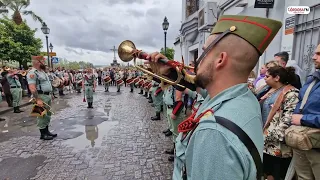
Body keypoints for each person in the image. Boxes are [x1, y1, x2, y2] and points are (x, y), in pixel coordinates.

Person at [147, 15, 282, 179]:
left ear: (220, 59)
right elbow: (200, 88)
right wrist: (169, 70)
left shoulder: (214, 134)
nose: (197, 60)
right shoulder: (243, 96)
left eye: (203, 52)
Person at [290, 43, 320, 179]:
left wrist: (302, 119)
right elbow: (302, 103)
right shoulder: (312, 78)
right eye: (314, 53)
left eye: (319, 54)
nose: (314, 57)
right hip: (300, 139)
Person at [27, 56, 56, 140]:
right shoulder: (32, 73)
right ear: (38, 62)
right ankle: (43, 134)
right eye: (43, 60)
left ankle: (47, 131)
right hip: (40, 96)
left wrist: (51, 94)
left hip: (47, 95)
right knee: (41, 115)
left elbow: (47, 84)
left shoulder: (42, 72)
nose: (45, 62)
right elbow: (32, 87)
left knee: (47, 115)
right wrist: (38, 99)